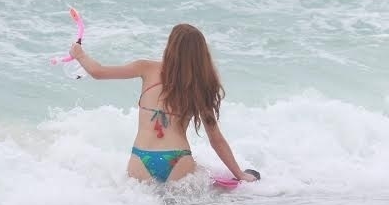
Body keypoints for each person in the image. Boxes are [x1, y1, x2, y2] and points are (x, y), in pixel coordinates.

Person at [69, 23, 257, 184]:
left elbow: (98, 72)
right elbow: (215, 139)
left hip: (140, 158)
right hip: (178, 159)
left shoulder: (146, 68)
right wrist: (239, 174)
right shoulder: (200, 86)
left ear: (170, 46)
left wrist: (80, 54)